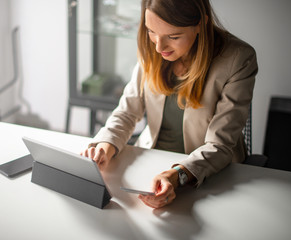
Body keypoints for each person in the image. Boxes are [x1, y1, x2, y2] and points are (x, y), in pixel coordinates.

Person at [81, 0, 258, 208]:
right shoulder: (152, 47)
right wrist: (106, 144)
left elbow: (219, 145)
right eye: (151, 31)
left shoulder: (238, 59)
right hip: (151, 161)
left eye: (173, 37)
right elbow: (127, 112)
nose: (158, 46)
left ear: (201, 23)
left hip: (208, 173)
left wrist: (177, 175)